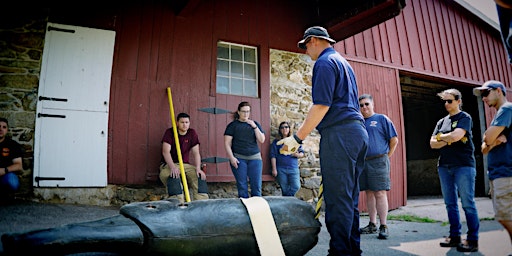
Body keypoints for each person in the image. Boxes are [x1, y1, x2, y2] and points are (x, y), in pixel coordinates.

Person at [278, 26, 369, 255]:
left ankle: (339, 252)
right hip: (357, 133)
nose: (306, 51)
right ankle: (351, 250)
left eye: (306, 45)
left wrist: (297, 138)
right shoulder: (343, 63)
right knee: (348, 197)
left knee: (337, 199)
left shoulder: (324, 63)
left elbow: (321, 105)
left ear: (315, 40)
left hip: (341, 135)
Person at [429, 88, 480, 252]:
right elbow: (431, 143)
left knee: (467, 204)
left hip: (463, 165)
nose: (446, 104)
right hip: (444, 166)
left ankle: (472, 239)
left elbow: (456, 136)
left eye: (450, 101)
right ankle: (454, 236)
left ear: (459, 101)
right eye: (444, 101)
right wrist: (448, 138)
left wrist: (442, 138)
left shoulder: (465, 117)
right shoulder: (441, 121)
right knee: (450, 204)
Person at [474, 80, 512, 251]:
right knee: (504, 216)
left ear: (498, 91)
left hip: (507, 172)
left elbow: (487, 139)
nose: (483, 98)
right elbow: (484, 147)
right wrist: (493, 141)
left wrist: (490, 140)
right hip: (498, 173)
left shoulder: (506, 109)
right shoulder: (499, 115)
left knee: (505, 216)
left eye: (485, 93)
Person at [358, 94, 398, 240]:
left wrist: (386, 156)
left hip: (379, 160)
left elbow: (394, 140)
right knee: (368, 192)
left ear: (372, 104)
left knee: (380, 192)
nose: (364, 107)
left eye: (366, 104)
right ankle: (372, 224)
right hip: (364, 162)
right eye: (361, 105)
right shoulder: (359, 122)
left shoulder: (382, 119)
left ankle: (383, 225)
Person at [159, 113, 208, 204]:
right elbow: (165, 152)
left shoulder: (192, 133)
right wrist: (173, 167)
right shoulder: (170, 132)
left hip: (185, 165)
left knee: (199, 177)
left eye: (187, 122)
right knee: (174, 177)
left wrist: (198, 168)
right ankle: (178, 204)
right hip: (169, 165)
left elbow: (196, 152)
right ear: (177, 123)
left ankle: (202, 204)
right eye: (182, 122)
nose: (185, 124)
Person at [224, 101, 265, 198]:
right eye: (243, 111)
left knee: (256, 185)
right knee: (242, 186)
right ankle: (245, 209)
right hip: (239, 158)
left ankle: (257, 210)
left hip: (255, 158)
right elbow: (227, 143)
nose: (246, 114)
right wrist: (232, 158)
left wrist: (254, 126)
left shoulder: (255, 124)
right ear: (238, 112)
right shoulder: (232, 126)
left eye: (248, 111)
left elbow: (262, 140)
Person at [270, 121, 305, 197]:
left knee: (296, 186)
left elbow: (302, 152)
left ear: (289, 129)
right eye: (282, 127)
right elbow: (273, 156)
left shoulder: (294, 140)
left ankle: (287, 198)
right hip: (281, 168)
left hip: (293, 168)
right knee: (284, 188)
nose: (284, 129)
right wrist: (274, 169)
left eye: (286, 127)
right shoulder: (277, 142)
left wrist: (297, 155)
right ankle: (288, 202)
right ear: (280, 130)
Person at [0, 118, 23, 199]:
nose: (1, 129)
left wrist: (4, 170)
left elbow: (19, 165)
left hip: (4, 176)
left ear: (7, 130)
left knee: (13, 182)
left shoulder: (12, 145)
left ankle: (4, 195)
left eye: (4, 127)